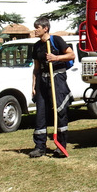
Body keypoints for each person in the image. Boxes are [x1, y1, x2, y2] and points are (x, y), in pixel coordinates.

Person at [29, 19, 74, 158]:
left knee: (60, 110)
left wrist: (56, 58)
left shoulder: (57, 40)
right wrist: (34, 86)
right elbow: (36, 68)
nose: (35, 30)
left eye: (37, 27)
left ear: (46, 28)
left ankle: (61, 146)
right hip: (42, 79)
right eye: (35, 27)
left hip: (57, 78)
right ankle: (39, 146)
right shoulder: (36, 46)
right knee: (41, 112)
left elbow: (71, 55)